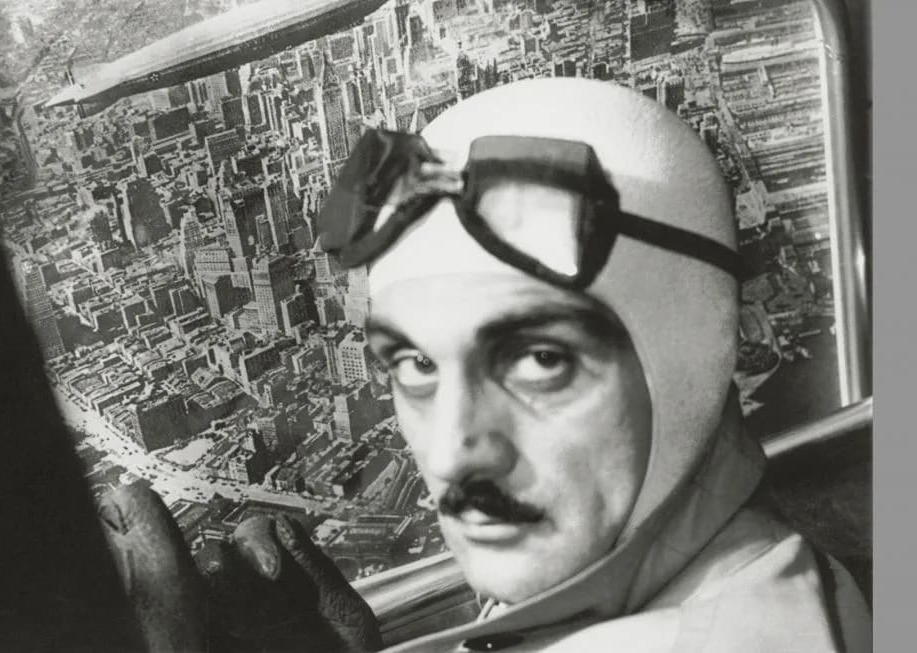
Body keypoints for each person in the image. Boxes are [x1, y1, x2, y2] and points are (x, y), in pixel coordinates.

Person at [97, 78, 871, 652]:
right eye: (415, 365)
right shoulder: (649, 584)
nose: (452, 450)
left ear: (695, 351)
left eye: (539, 360)